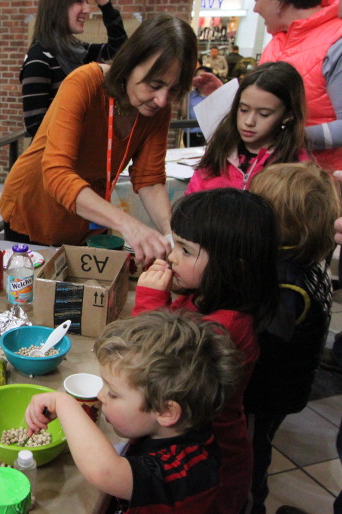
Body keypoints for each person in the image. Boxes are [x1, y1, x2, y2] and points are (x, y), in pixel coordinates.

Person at [0, 14, 198, 266]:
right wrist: (128, 223)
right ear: (130, 63)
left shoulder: (158, 109)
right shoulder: (85, 83)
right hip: (38, 208)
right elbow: (57, 173)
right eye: (154, 84)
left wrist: (171, 235)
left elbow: (149, 179)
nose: (161, 99)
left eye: (174, 90)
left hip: (89, 213)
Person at [133, 188, 279, 513]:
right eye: (175, 244)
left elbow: (147, 372)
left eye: (185, 250)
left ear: (234, 266)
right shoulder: (201, 294)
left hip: (210, 468)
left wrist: (149, 304)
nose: (171, 257)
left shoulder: (225, 328)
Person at [25, 310, 243, 512]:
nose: (101, 396)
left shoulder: (189, 469)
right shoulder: (165, 428)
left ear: (166, 412)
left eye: (113, 393)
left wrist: (64, 403)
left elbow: (105, 472)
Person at [244, 163, 340, 514]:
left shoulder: (284, 284)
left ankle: (251, 506)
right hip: (287, 384)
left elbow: (261, 346)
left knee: (252, 454)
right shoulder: (307, 260)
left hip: (266, 392)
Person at [186, 61, 311, 194]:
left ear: (288, 116)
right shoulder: (220, 149)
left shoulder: (297, 166)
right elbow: (192, 198)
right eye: (244, 109)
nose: (249, 122)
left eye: (264, 114)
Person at [255, 0, 342, 172]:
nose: (255, 8)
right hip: (278, 176)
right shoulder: (277, 42)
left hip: (321, 184)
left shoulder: (336, 44)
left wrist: (286, 136)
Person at [20, 0, 127, 137]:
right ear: (57, 7)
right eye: (79, 2)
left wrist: (106, 6)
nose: (87, 9)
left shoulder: (77, 52)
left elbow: (120, 51)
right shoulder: (38, 59)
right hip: (61, 155)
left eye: (87, 2)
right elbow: (36, 128)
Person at [185, 65, 212, 147]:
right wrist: (186, 91)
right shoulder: (190, 95)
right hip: (191, 134)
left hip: (209, 135)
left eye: (202, 77)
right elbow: (183, 113)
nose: (199, 79)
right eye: (197, 76)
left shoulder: (214, 95)